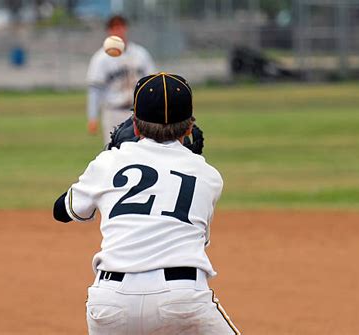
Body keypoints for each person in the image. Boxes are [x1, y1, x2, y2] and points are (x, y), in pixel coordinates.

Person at [53, 72, 241, 334]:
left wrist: (109, 153)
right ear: (189, 127)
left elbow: (61, 211)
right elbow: (195, 238)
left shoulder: (108, 162)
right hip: (182, 299)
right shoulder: (208, 175)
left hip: (109, 302)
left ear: (136, 126)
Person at [86, 15, 156, 143]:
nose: (118, 31)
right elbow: (95, 90)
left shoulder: (140, 54)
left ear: (126, 28)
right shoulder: (101, 58)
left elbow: (153, 83)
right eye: (114, 28)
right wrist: (92, 117)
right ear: (109, 31)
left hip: (139, 113)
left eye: (121, 27)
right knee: (114, 151)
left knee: (141, 151)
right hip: (113, 112)